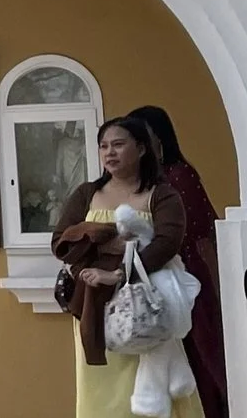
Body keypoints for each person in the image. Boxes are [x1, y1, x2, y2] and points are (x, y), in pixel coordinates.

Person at [53, 119, 201, 418]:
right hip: (94, 304)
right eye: (104, 146)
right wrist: (100, 239)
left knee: (149, 385)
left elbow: (166, 243)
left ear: (142, 148)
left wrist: (121, 274)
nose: (110, 153)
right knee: (100, 389)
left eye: (118, 144)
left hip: (146, 305)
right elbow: (62, 242)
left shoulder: (162, 194)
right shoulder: (86, 193)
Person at [125, 106, 225, 418]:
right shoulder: (142, 182)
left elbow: (201, 235)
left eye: (142, 138)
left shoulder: (179, 176)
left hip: (187, 279)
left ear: (158, 140)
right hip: (152, 281)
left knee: (200, 358)